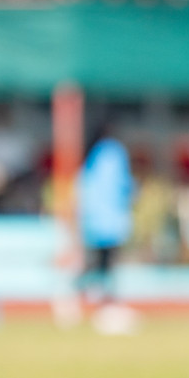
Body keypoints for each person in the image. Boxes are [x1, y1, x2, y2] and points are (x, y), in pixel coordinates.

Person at [76, 118, 136, 332]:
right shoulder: (114, 153)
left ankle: (97, 305)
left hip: (94, 223)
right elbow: (125, 186)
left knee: (97, 266)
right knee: (107, 267)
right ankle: (105, 306)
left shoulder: (91, 155)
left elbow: (83, 188)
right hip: (110, 223)